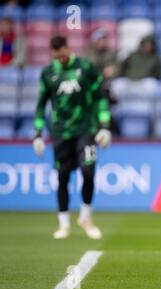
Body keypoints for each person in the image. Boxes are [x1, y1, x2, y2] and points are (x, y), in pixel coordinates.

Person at [32, 35, 112, 240]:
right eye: (56, 56)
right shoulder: (48, 73)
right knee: (62, 177)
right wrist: (38, 133)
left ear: (68, 48)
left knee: (88, 170)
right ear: (52, 54)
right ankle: (64, 224)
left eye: (63, 55)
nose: (61, 59)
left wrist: (104, 126)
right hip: (60, 133)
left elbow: (100, 97)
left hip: (86, 129)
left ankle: (85, 217)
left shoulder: (86, 67)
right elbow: (41, 105)